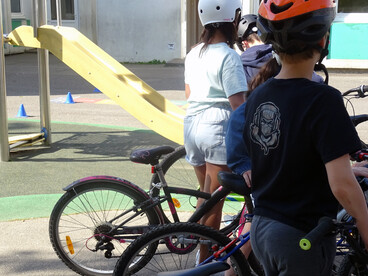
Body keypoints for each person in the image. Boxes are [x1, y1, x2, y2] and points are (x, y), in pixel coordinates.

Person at [242, 1, 368, 275]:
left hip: (262, 230)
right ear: (323, 39)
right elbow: (343, 186)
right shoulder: (324, 99)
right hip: (300, 236)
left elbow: (286, 160)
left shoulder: (259, 96)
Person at [183, 0, 247, 243]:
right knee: (214, 202)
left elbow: (189, 94)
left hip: (191, 124)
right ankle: (204, 261)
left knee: (205, 195)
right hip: (217, 125)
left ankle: (198, 249)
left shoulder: (193, 53)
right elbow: (238, 104)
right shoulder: (229, 56)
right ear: (232, 19)